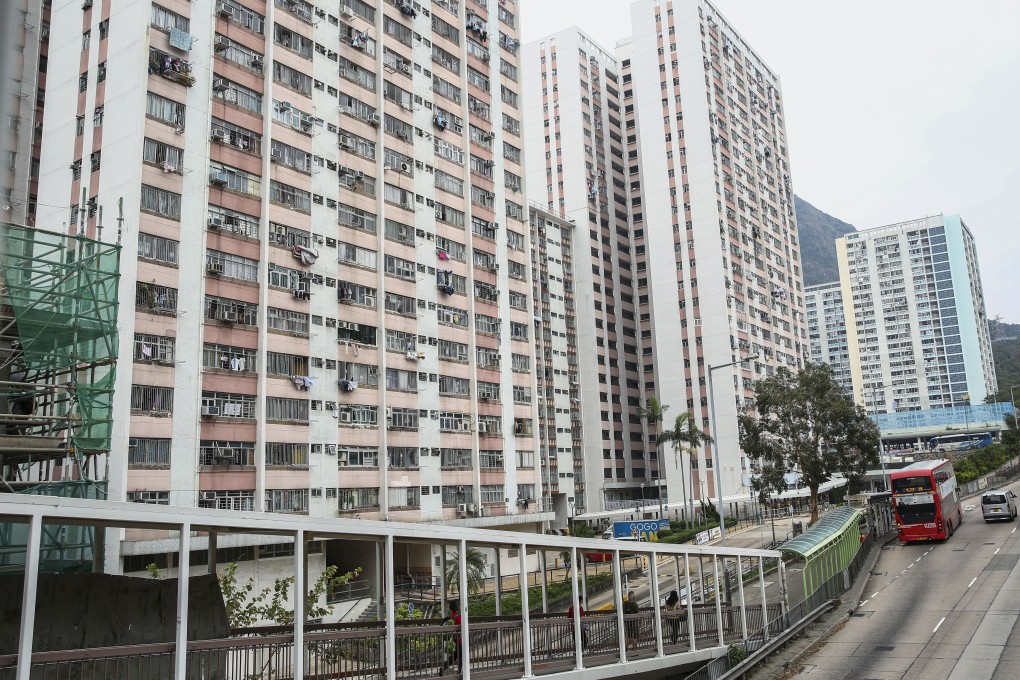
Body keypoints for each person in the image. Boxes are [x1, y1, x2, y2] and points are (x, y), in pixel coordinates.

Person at [440, 600, 462, 675]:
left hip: (453, 640)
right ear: (458, 608)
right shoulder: (459, 618)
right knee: (460, 656)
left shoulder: (450, 617)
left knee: (454, 656)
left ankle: (443, 668)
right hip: (460, 640)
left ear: (450, 609)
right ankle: (460, 672)